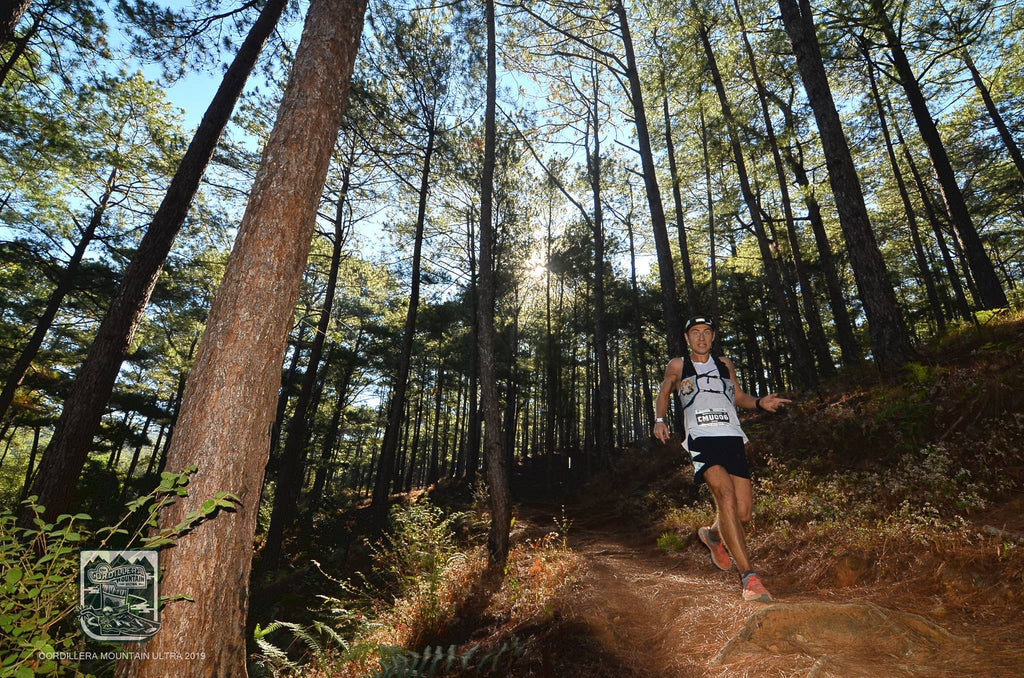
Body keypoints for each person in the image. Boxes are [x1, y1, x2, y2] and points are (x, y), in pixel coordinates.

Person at [653, 315, 790, 603]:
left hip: (733, 437)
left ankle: (714, 535)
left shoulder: (725, 364)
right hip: (701, 437)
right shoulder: (679, 365)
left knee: (742, 514)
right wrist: (660, 419)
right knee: (724, 495)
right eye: (695, 332)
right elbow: (665, 391)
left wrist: (759, 402)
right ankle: (749, 578)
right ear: (687, 337)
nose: (701, 338)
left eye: (706, 332)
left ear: (713, 337)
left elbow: (738, 396)